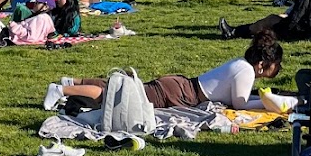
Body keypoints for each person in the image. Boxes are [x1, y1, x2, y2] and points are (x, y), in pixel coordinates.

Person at [50, 31, 284, 113]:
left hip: (180, 86)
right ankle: (62, 89)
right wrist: (266, 102)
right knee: (118, 94)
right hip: (179, 93)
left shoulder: (241, 63)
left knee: (124, 87)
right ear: (264, 63)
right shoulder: (246, 72)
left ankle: (72, 81)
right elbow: (240, 104)